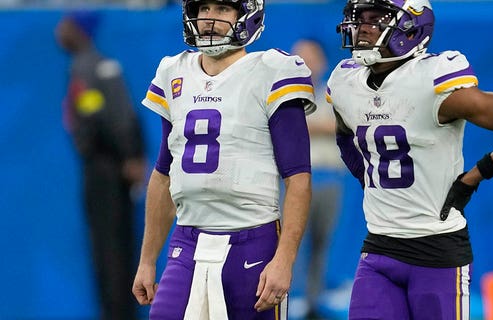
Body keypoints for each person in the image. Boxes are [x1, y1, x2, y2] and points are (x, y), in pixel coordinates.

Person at [327, 0, 493, 319]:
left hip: (437, 251)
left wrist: (474, 177)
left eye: (376, 18)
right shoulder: (345, 81)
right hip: (378, 248)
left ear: (411, 27)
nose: (363, 26)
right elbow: (344, 131)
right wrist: (364, 175)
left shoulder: (433, 79)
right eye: (360, 17)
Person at [131, 0, 315, 319]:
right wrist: (147, 260)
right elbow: (164, 173)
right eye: (203, 9)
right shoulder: (173, 71)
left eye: (222, 9)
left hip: (252, 238)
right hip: (187, 239)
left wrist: (284, 260)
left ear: (247, 14)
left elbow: (298, 178)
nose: (209, 19)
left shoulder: (272, 70)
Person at [55, 10, 147, 320]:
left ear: (79, 29)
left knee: (113, 250)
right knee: (106, 250)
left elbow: (118, 117)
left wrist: (131, 157)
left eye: (66, 24)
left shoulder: (98, 68)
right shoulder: (83, 67)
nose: (59, 30)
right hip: (100, 169)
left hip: (109, 171)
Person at [289, 39, 345, 319]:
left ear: (322, 62)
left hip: (328, 178)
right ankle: (290, 301)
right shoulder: (285, 98)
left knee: (323, 243)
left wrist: (308, 126)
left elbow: (341, 127)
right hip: (295, 180)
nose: (306, 65)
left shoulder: (333, 96)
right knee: (290, 241)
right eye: (300, 58)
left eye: (310, 58)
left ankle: (314, 303)